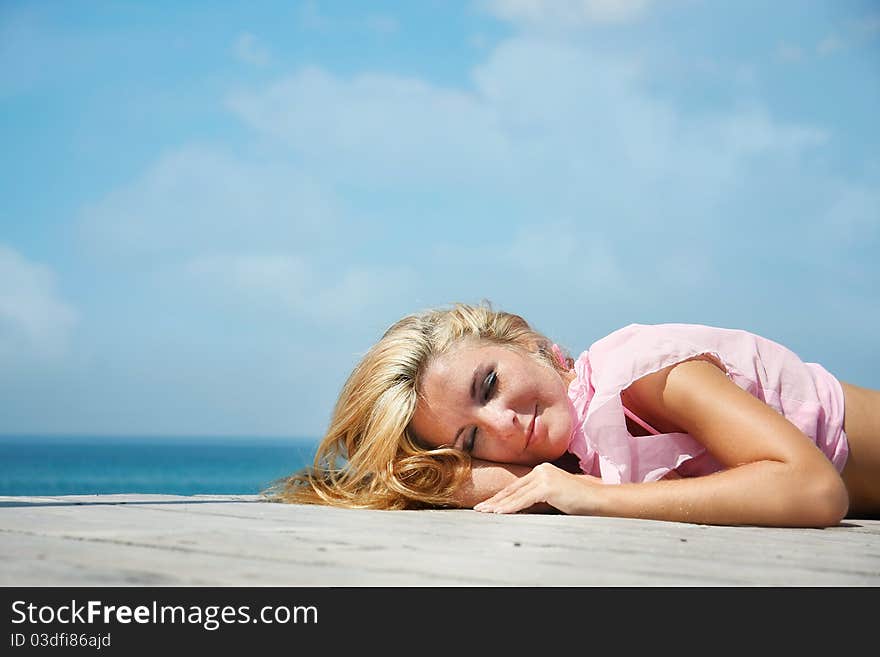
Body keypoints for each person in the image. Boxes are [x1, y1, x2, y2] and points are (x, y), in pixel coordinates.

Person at [266, 302, 880, 527]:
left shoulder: (641, 372)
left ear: (535, 346)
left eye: (490, 383)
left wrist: (590, 496)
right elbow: (421, 478)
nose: (504, 423)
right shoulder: (575, 449)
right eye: (472, 437)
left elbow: (813, 489)